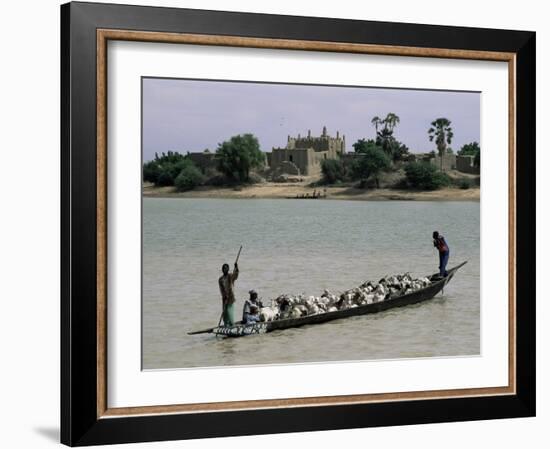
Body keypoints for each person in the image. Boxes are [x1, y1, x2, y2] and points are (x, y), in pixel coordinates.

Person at [218, 262, 239, 326]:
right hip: (224, 299)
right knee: (225, 314)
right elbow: (221, 289)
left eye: (226, 268)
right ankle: (226, 325)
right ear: (222, 270)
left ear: (228, 269)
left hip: (231, 298)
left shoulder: (230, 276)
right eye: (223, 268)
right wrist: (225, 296)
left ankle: (232, 325)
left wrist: (236, 268)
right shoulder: (220, 279)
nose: (224, 269)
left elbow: (235, 276)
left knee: (230, 313)